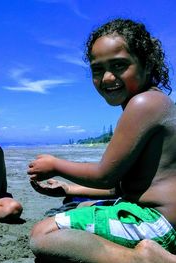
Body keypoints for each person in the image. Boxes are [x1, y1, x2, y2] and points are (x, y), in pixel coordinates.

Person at [27, 18, 176, 262]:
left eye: (119, 65)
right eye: (98, 69)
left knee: (42, 233)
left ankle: (145, 259)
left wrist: (55, 165)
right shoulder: (152, 102)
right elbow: (125, 184)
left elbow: (105, 175)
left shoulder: (143, 104)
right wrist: (70, 189)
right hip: (162, 219)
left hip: (155, 222)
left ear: (147, 65)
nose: (107, 77)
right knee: (81, 206)